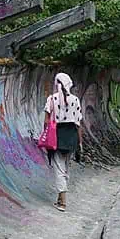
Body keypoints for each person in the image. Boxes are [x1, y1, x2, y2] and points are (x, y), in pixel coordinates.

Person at [43, 72, 84, 211]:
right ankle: (59, 198)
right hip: (71, 136)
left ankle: (63, 202)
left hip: (57, 136)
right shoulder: (76, 100)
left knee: (58, 169)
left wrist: (46, 136)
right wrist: (80, 143)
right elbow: (78, 123)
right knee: (65, 167)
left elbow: (46, 121)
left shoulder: (51, 99)